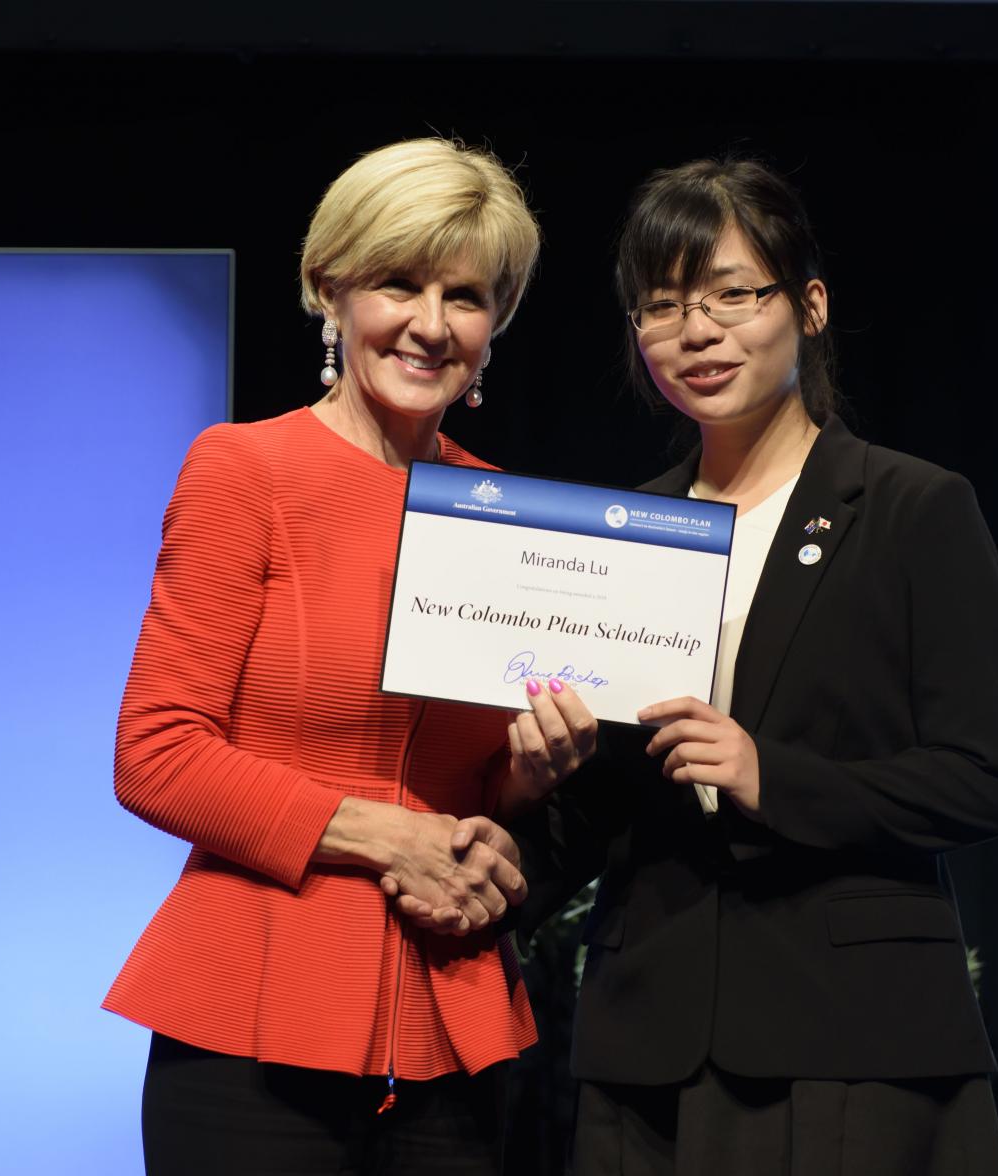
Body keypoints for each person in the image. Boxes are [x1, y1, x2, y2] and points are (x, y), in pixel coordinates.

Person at [511, 157, 998, 1175]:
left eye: (733, 295)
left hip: (851, 1041)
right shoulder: (630, 533)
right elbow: (613, 803)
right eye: (660, 306)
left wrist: (770, 775)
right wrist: (516, 836)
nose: (696, 331)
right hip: (648, 1043)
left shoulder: (914, 508)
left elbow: (987, 776)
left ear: (811, 304)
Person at [103, 137, 597, 1176]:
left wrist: (522, 782)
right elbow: (155, 751)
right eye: (397, 282)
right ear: (331, 290)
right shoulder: (245, 471)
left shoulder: (507, 514)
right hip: (251, 1020)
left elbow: (465, 786)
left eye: (465, 295)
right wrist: (384, 837)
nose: (430, 322)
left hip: (447, 1017)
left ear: (496, 324)